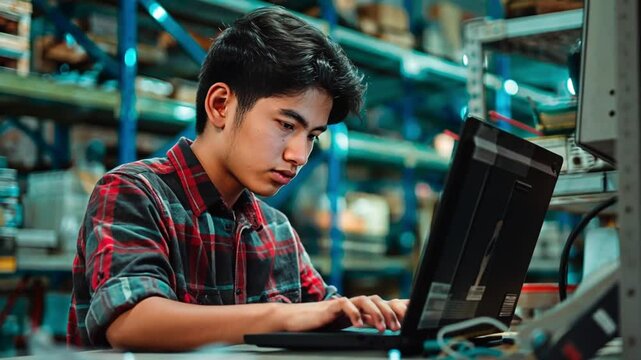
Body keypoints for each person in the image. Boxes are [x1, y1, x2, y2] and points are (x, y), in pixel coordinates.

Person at [67, 6, 408, 351]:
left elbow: (323, 313)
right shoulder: (132, 193)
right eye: (287, 125)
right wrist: (280, 317)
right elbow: (131, 322)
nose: (299, 156)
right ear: (220, 106)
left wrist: (375, 313)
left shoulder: (275, 230)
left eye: (312, 136)